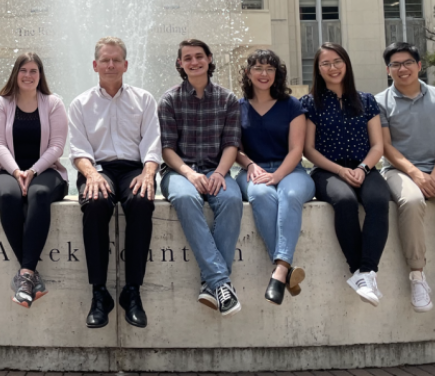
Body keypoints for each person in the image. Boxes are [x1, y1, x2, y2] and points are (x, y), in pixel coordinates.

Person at [68, 36, 160, 329]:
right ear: (95, 65)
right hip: (99, 169)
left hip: (134, 169)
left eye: (116, 60)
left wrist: (148, 174)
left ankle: (132, 291)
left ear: (126, 64)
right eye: (105, 60)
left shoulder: (144, 99)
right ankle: (99, 294)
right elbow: (78, 151)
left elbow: (152, 144)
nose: (110, 65)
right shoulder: (80, 103)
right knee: (94, 204)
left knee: (142, 203)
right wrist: (92, 175)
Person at [159, 39, 243, 317]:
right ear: (180, 64)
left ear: (209, 58)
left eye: (199, 56)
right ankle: (220, 282)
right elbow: (167, 149)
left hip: (215, 169)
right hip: (179, 171)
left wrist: (220, 172)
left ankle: (211, 285)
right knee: (185, 197)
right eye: (187, 58)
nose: (194, 62)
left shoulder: (228, 99)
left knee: (231, 199)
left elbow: (232, 143)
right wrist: (189, 173)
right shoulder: (170, 100)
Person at [301, 42, 389, 307]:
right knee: (345, 201)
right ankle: (358, 271)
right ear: (318, 69)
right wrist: (340, 170)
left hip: (365, 167)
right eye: (325, 63)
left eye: (337, 61)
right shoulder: (309, 102)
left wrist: (362, 168)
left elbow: (377, 145)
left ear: (346, 64)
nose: (332, 67)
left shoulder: (365, 100)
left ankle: (367, 272)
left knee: (377, 201)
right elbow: (308, 149)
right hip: (328, 170)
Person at [0, 52, 68, 308]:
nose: (29, 76)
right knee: (9, 196)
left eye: (34, 71)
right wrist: (16, 172)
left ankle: (25, 276)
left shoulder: (54, 103)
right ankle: (30, 275)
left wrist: (32, 171)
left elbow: (57, 146)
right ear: (15, 73)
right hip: (7, 172)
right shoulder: (1, 103)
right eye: (24, 71)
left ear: (40, 75)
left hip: (46, 172)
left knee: (39, 194)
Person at [234, 50, 315, 305]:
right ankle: (286, 271)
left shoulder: (292, 105)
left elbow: (297, 150)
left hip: (291, 170)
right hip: (253, 169)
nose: (264, 74)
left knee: (290, 195)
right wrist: (250, 166)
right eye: (258, 68)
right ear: (248, 72)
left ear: (277, 73)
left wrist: (277, 175)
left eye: (270, 69)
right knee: (259, 195)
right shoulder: (238, 107)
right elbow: (233, 148)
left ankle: (279, 270)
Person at [376, 42, 435, 312]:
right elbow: (386, 147)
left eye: (407, 63)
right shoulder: (379, 102)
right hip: (398, 171)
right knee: (412, 201)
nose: (401, 69)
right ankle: (417, 276)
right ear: (388, 69)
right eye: (395, 64)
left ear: (419, 65)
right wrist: (416, 174)